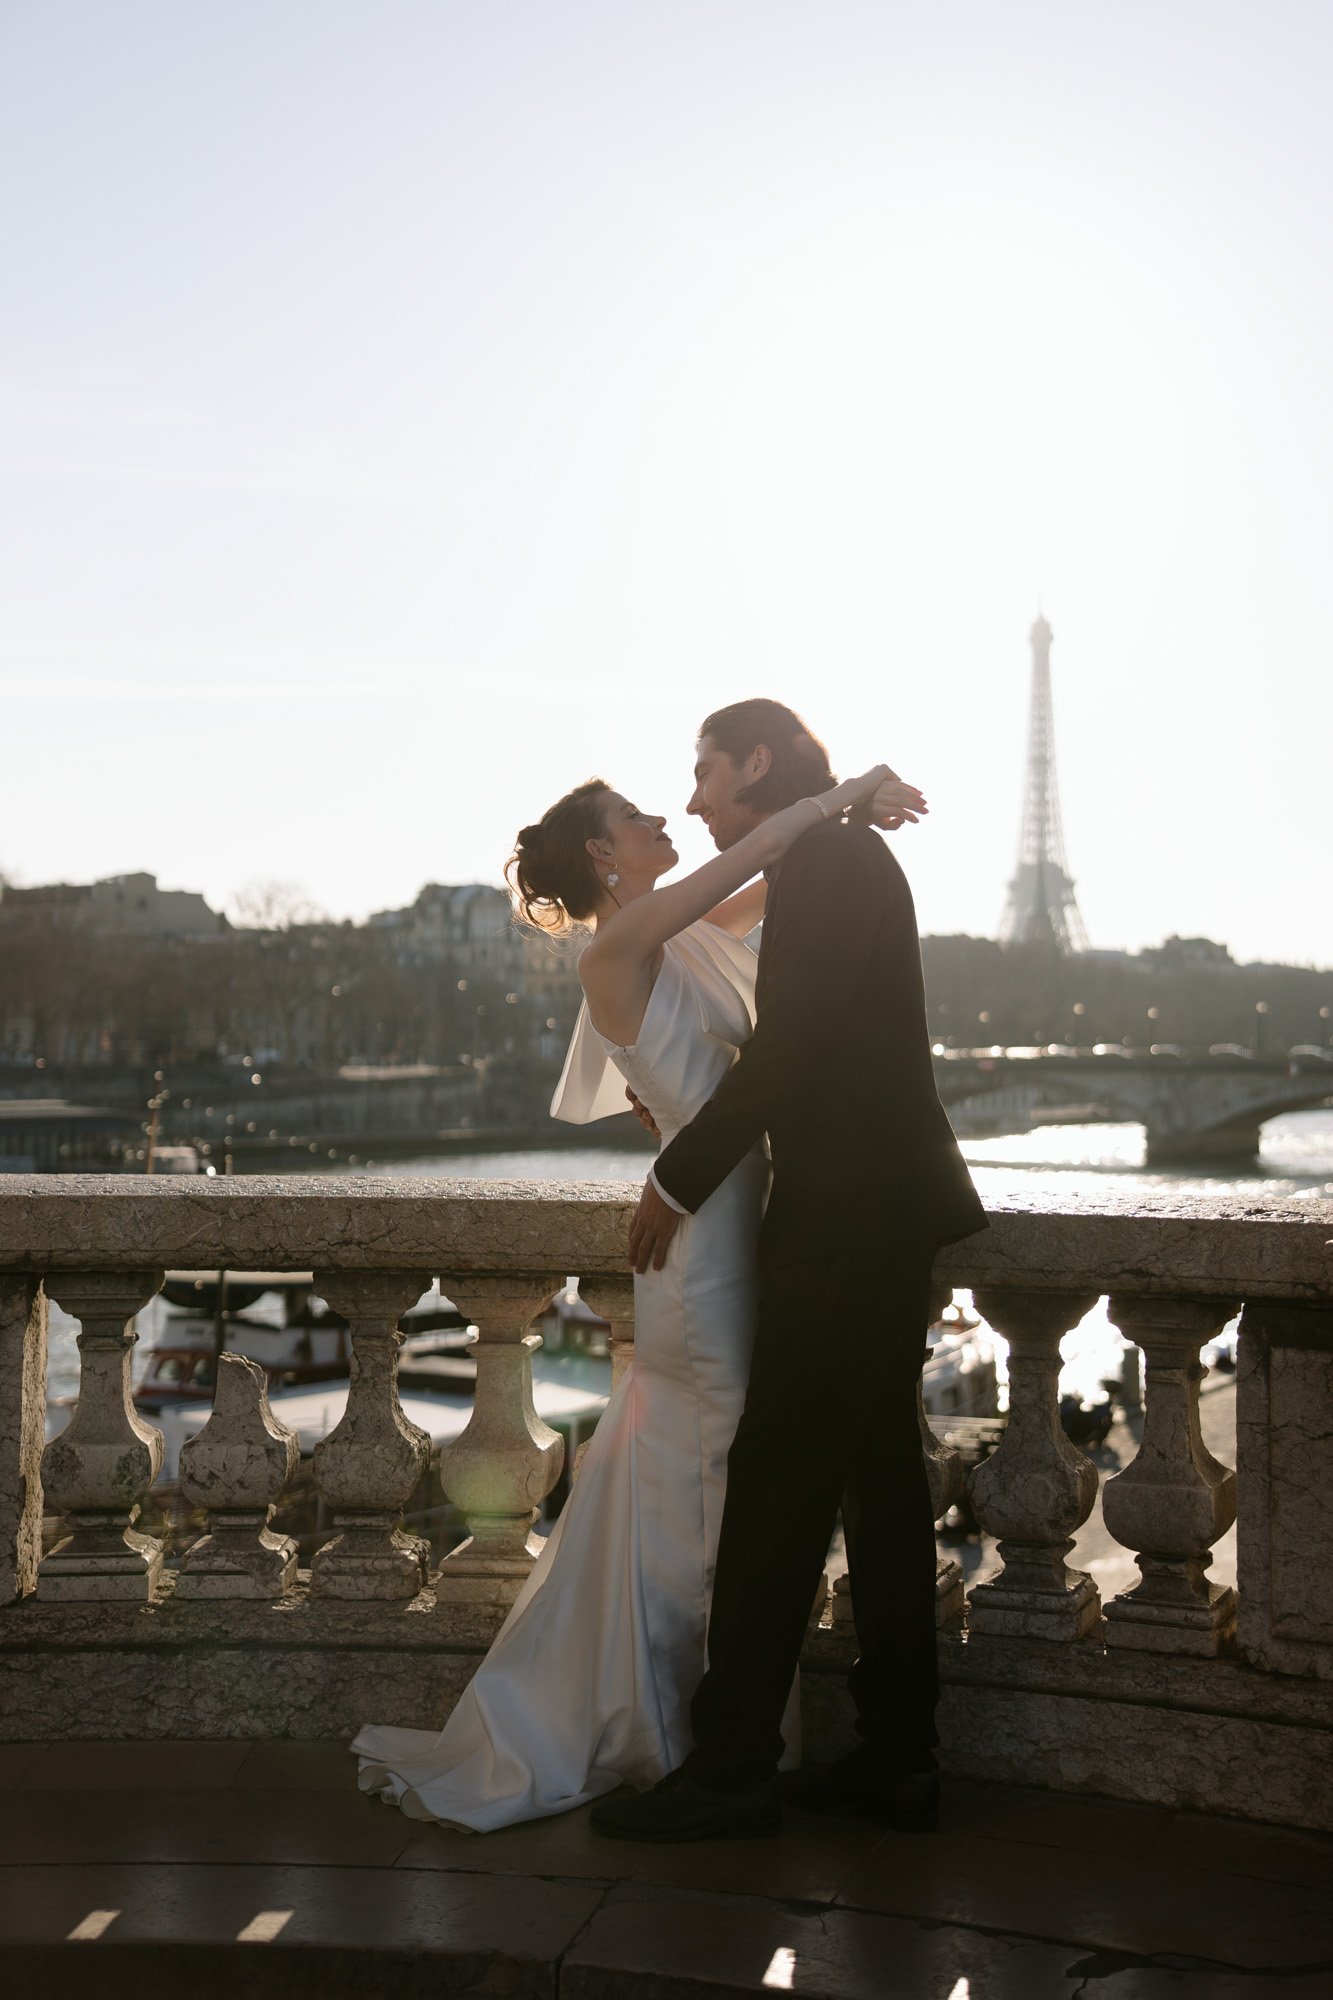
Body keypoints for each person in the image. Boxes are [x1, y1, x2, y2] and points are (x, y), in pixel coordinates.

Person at [351, 750, 920, 1831]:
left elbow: (776, 871)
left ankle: (707, 1731)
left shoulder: (682, 931)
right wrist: (842, 794)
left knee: (706, 1483)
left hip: (738, 1221)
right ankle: (694, 1736)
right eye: (640, 812)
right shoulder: (620, 944)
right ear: (606, 854)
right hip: (704, 1247)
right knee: (712, 1482)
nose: (671, 812)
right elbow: (759, 845)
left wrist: (858, 811)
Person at [589, 698, 987, 1844]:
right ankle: (896, 1753)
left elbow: (793, 1040)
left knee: (775, 1483)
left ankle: (730, 1768)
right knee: (880, 1486)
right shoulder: (833, 851)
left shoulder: (834, 860)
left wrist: (681, 1173)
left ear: (756, 762)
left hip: (848, 1216)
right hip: (875, 1207)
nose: (698, 795)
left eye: (706, 770)